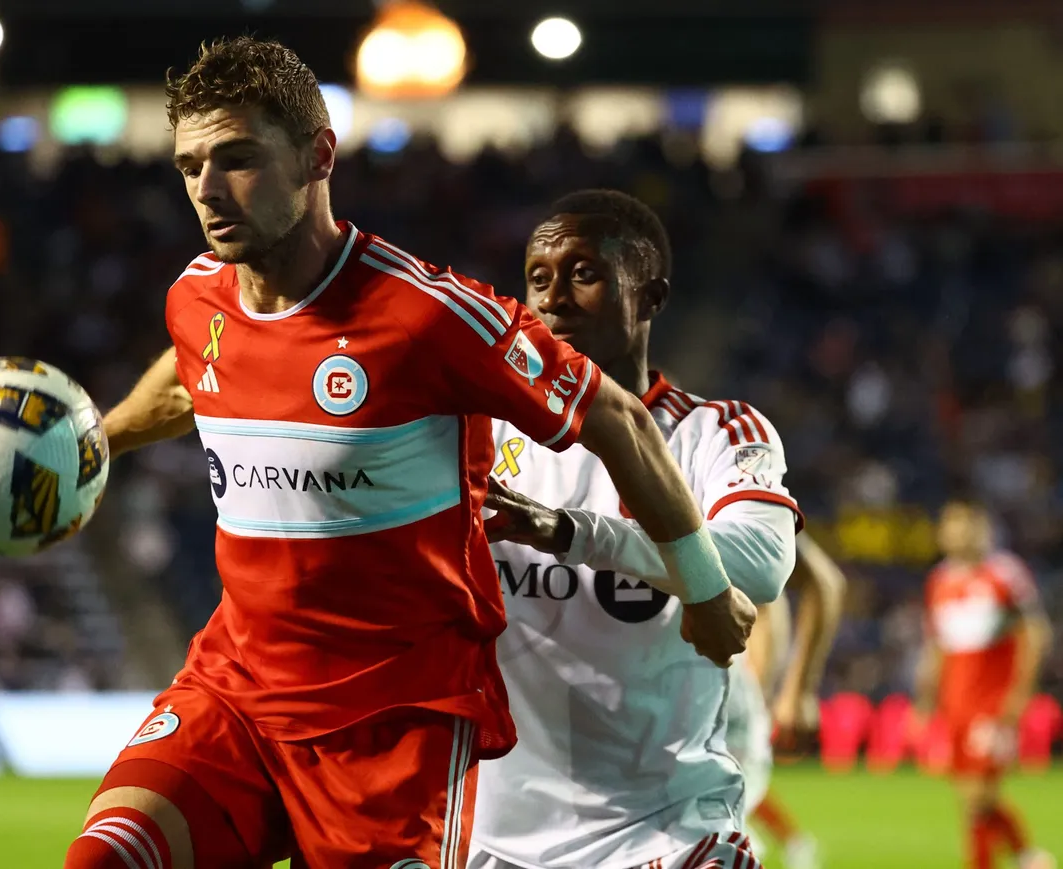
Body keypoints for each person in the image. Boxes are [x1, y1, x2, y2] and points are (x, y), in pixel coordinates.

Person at [65, 39, 757, 869]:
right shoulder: (198, 295)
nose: (208, 190)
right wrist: (96, 442)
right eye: (189, 166)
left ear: (319, 154)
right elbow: (189, 381)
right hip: (236, 692)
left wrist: (705, 587)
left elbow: (619, 416)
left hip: (393, 726)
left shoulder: (427, 317)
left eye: (237, 158)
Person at [473, 189, 805, 869]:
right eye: (538, 278)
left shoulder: (713, 432)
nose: (554, 299)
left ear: (650, 297)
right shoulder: (478, 429)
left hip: (664, 833)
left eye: (584, 273)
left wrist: (572, 532)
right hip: (491, 840)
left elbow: (761, 563)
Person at [912, 499, 1055, 869]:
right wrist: (926, 700)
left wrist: (1020, 693)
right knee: (971, 795)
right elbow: (936, 646)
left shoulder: (1004, 574)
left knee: (977, 795)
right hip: (955, 701)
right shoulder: (939, 580)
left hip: (992, 700)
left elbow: (1035, 633)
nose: (956, 533)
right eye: (950, 525)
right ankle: (1027, 856)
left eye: (965, 525)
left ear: (982, 529)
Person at [728, 533, 846, 869]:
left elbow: (823, 581)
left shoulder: (731, 492)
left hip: (724, 696)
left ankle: (784, 843)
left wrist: (798, 689)